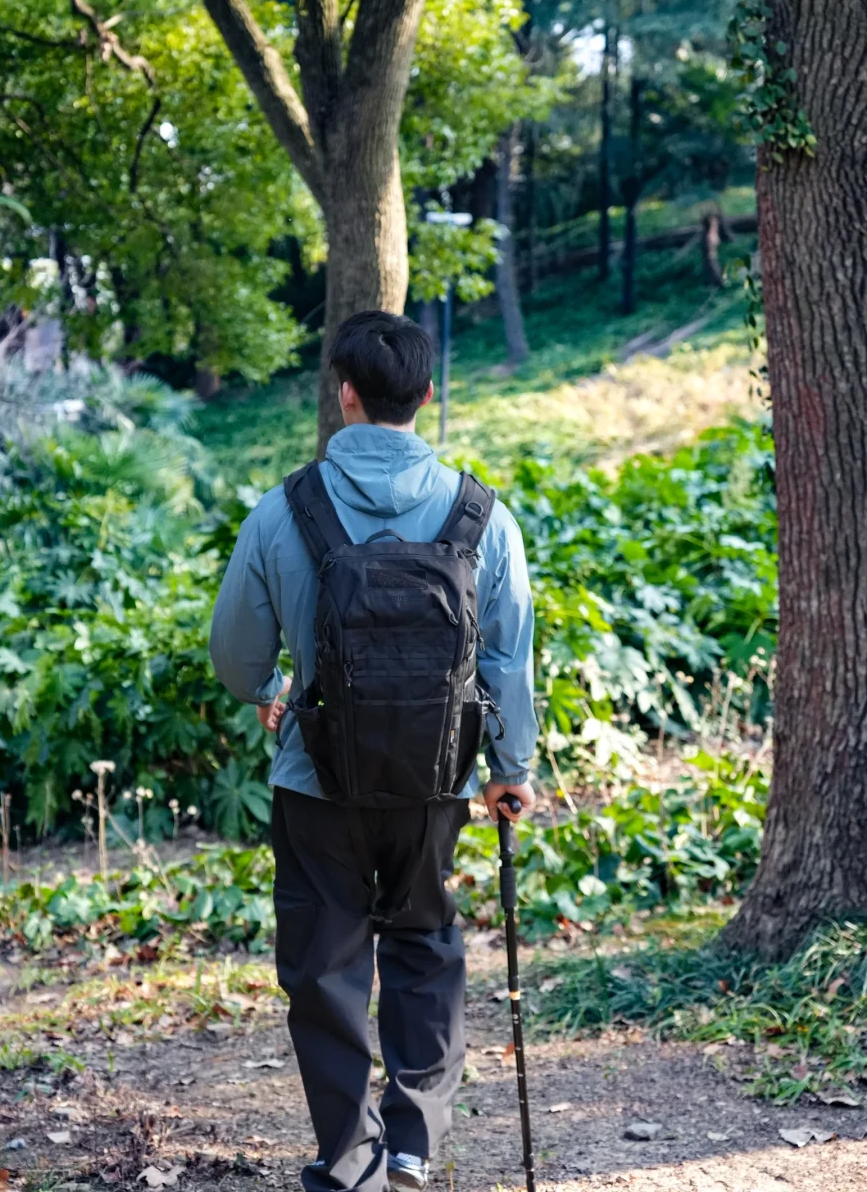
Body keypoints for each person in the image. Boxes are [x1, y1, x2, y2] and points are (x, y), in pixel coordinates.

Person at [210, 310, 538, 1192]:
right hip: (435, 784)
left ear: (344, 395)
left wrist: (274, 695)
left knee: (326, 965)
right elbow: (507, 660)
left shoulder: (284, 511)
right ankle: (412, 1147)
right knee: (426, 944)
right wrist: (512, 773)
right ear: (426, 396)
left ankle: (347, 1156)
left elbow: (238, 657)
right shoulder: (482, 515)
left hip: (317, 783)